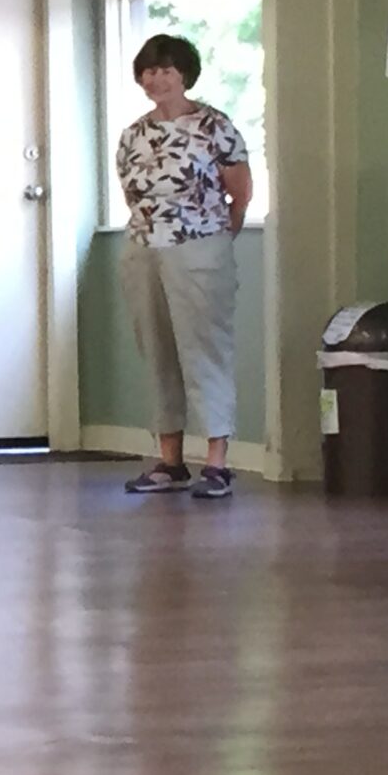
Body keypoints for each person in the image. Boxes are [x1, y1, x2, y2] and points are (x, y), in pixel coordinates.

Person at [115, 32, 252, 499]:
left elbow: (240, 190)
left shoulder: (214, 126)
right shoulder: (133, 134)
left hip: (200, 249)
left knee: (205, 349)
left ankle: (216, 462)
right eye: (150, 71)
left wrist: (217, 231)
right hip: (144, 250)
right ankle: (169, 461)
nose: (157, 79)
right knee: (158, 351)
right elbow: (133, 195)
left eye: (167, 70)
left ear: (185, 75)